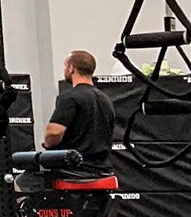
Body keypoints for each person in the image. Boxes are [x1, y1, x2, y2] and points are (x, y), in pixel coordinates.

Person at [13, 49, 116, 193]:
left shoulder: (70, 97)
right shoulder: (106, 100)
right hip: (103, 169)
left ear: (71, 68)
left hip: (73, 170)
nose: (64, 70)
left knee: (22, 180)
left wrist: (48, 145)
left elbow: (54, 132)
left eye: (65, 66)